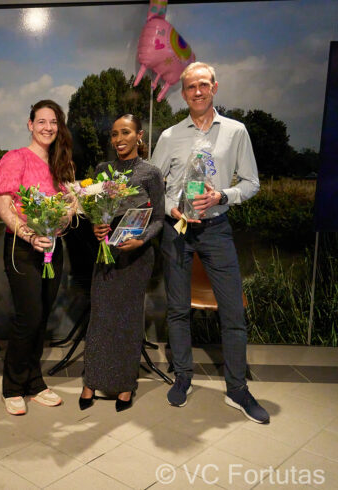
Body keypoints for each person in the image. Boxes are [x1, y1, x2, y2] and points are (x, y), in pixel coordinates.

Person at [150, 62, 269, 423]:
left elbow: (251, 183)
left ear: (214, 87)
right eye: (191, 87)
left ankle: (237, 388)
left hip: (217, 229)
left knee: (233, 312)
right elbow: (153, 187)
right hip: (178, 229)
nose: (197, 91)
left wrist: (222, 196)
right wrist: (171, 210)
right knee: (177, 309)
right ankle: (183, 377)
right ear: (183, 92)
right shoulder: (170, 136)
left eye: (203, 84)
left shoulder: (236, 132)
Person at [0, 100, 75, 415]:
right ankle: (12, 387)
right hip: (22, 247)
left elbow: (70, 203)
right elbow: (3, 204)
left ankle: (34, 382)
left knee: (42, 317)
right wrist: (29, 234)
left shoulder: (62, 163)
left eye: (53, 122)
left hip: (53, 247)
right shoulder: (15, 158)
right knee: (28, 316)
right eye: (41, 121)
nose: (48, 128)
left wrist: (65, 216)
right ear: (30, 124)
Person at [79, 114, 165, 412]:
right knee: (100, 317)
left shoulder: (151, 173)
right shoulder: (103, 170)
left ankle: (126, 385)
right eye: (114, 134)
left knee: (128, 320)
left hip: (136, 257)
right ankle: (91, 381)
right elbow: (95, 211)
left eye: (125, 132)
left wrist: (142, 240)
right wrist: (96, 225)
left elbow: (158, 219)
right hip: (107, 253)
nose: (119, 139)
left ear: (139, 136)